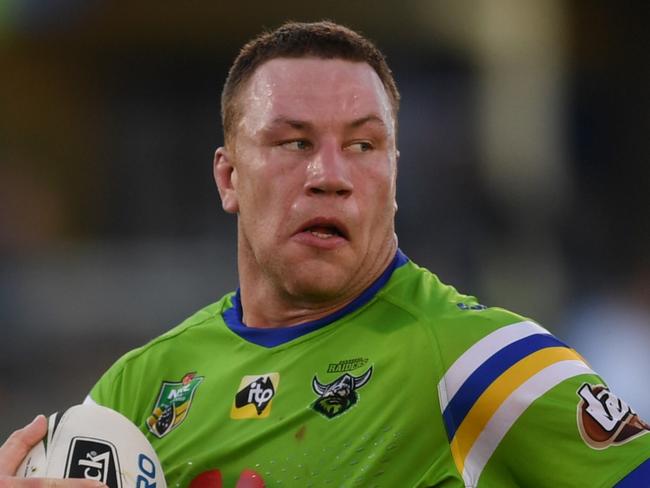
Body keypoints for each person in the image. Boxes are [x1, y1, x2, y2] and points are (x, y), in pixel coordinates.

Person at [1, 20, 649, 488]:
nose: (330, 175)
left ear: (393, 175)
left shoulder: (477, 360)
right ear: (229, 178)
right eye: (293, 143)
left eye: (364, 146)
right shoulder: (139, 388)